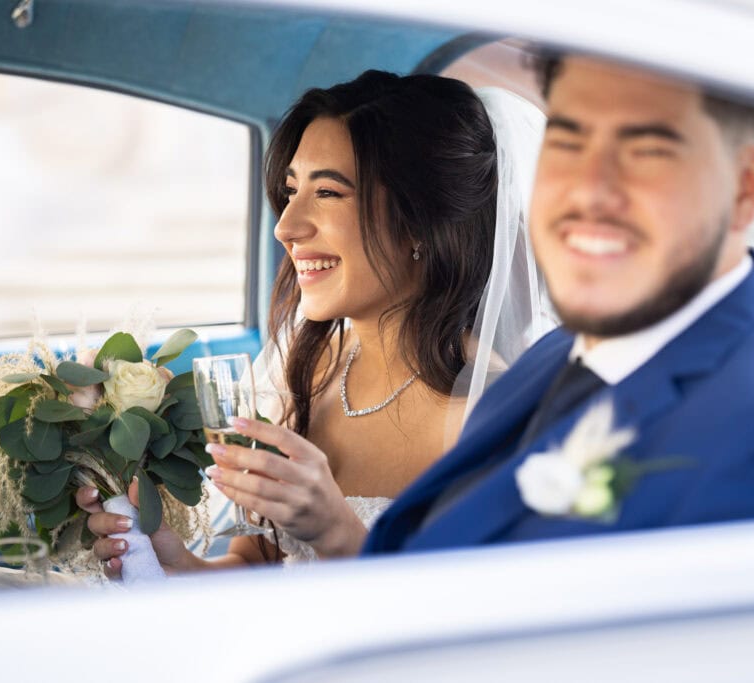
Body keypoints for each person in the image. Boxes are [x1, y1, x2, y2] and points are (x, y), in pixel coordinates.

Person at [363, 54, 754, 554]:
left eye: (647, 152)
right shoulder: (553, 354)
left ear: (745, 191)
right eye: (568, 144)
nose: (588, 192)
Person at [79, 71, 552, 573]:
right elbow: (260, 563)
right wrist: (176, 562)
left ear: (420, 222)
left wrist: (338, 533)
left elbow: (468, 625)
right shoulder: (305, 368)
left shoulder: (498, 416)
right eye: (290, 190)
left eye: (327, 192)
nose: (286, 226)